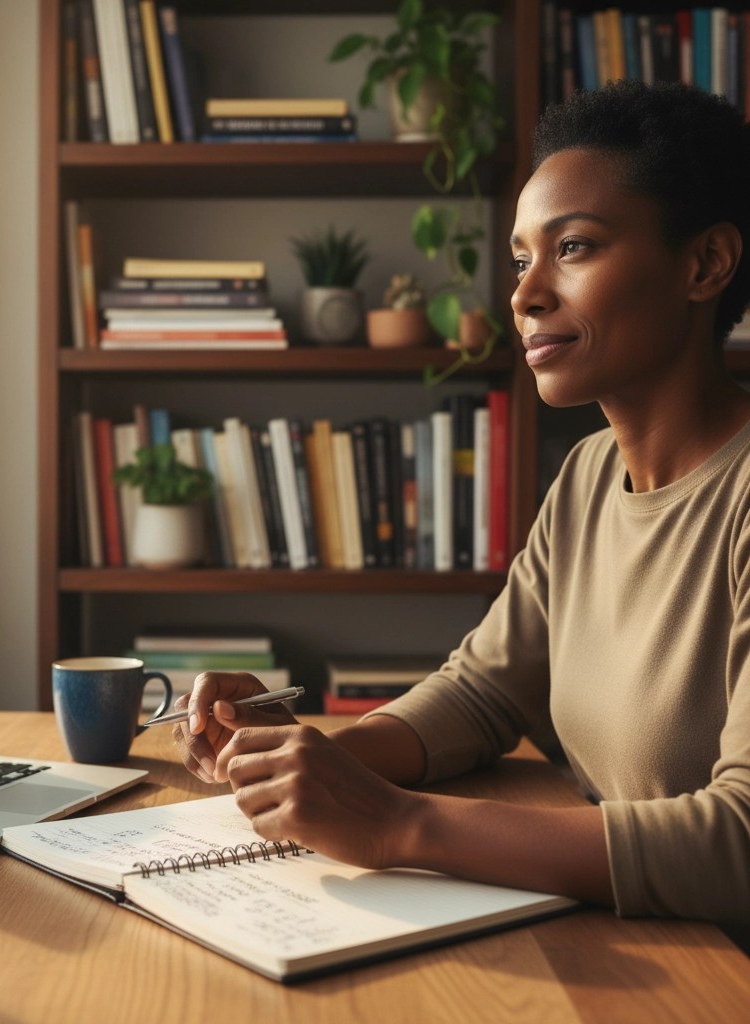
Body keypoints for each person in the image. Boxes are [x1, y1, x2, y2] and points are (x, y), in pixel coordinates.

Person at [171, 79, 750, 933]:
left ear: (704, 265)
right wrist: (304, 753)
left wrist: (395, 823)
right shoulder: (590, 476)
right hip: (615, 934)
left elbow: (737, 845)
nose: (524, 295)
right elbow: (483, 694)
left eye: (575, 248)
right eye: (522, 260)